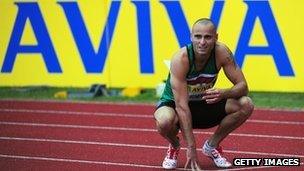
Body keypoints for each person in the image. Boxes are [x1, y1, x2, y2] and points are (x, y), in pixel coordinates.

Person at [154, 18, 254, 170]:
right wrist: (191, 147)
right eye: (198, 36)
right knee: (164, 120)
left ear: (216, 37)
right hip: (176, 105)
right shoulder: (181, 59)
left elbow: (243, 87)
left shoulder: (222, 53)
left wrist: (224, 93)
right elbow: (181, 106)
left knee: (246, 104)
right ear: (191, 37)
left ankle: (211, 146)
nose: (202, 42)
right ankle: (174, 145)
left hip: (204, 102)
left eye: (208, 37)